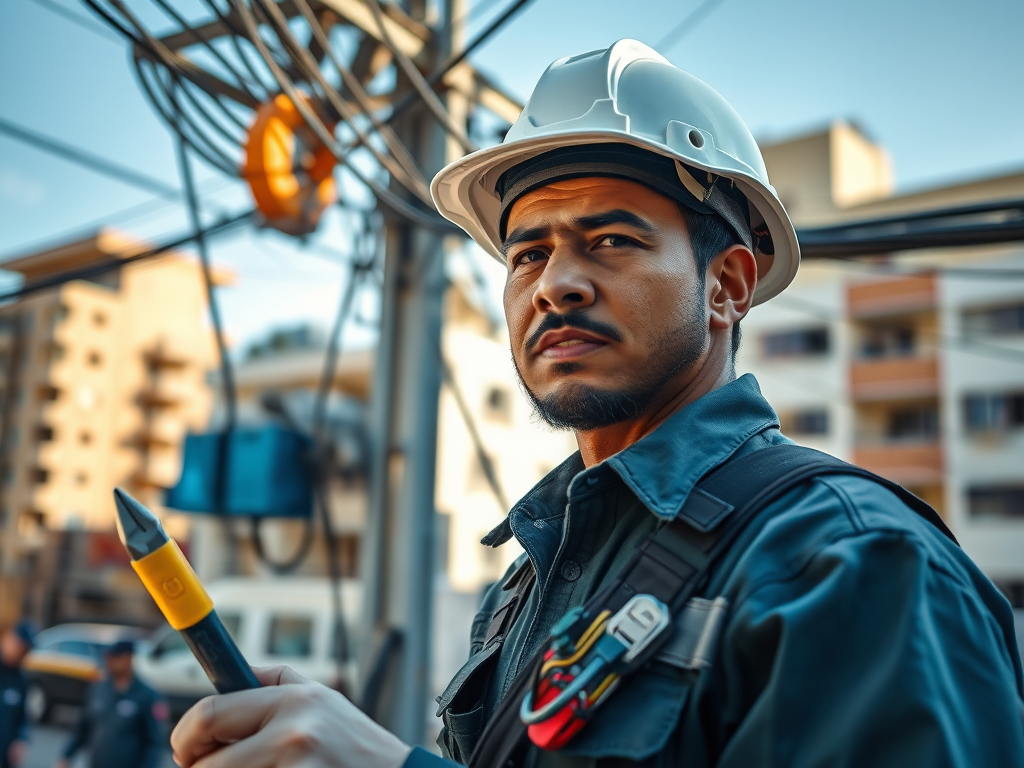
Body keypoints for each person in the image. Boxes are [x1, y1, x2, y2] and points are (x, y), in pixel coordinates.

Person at [169, 39, 1024, 768]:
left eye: (611, 240)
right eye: (527, 255)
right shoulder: (525, 584)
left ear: (726, 286)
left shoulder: (850, 564)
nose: (556, 286)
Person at [57, 640, 168, 768]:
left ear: (128, 658)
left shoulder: (148, 696)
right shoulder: (98, 689)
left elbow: (154, 742)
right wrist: (66, 756)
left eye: (114, 657)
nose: (109, 662)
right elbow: (82, 728)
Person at [0, 622, 35, 768]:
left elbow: (23, 716)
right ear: (8, 638)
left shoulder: (21, 679)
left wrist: (21, 739)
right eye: (20, 648)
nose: (22, 655)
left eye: (26, 651)